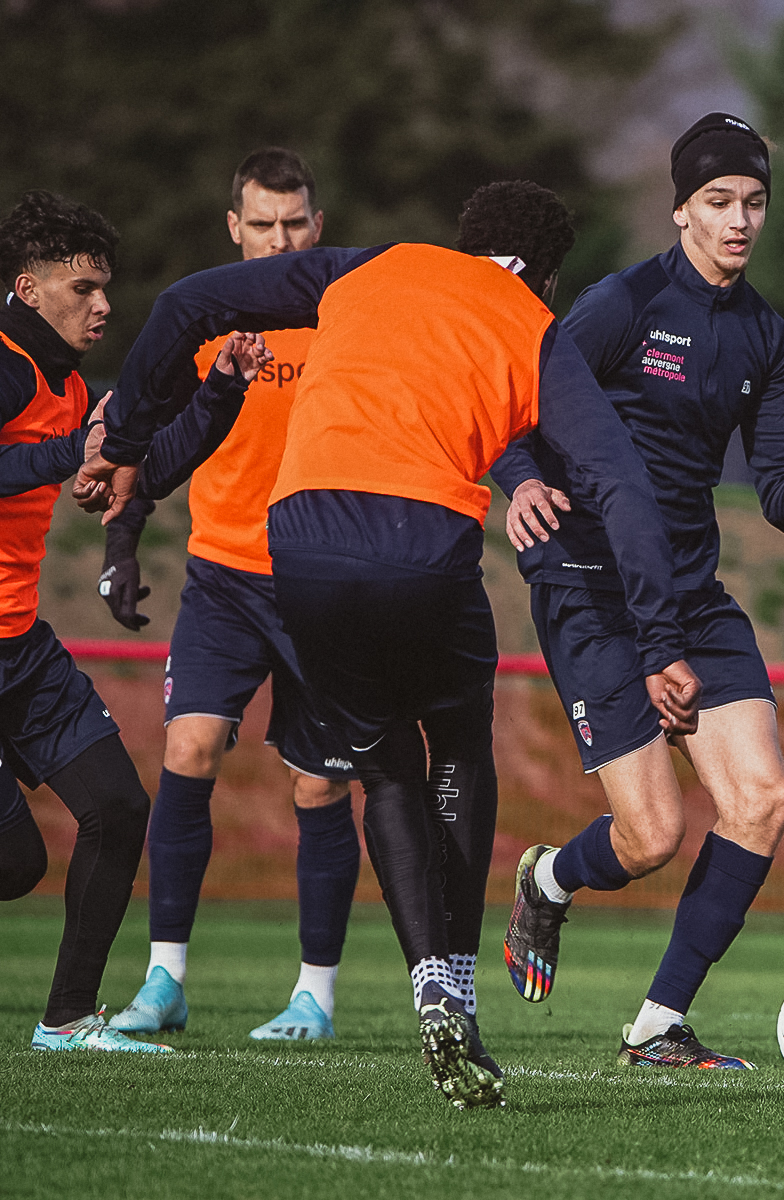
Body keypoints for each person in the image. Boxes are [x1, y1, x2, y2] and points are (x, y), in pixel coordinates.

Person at [79, 180, 698, 1108]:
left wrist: (124, 436)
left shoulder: (376, 266)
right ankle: (458, 980)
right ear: (549, 277)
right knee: (455, 743)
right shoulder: (532, 324)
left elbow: (185, 303)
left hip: (301, 544)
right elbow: (621, 487)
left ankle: (431, 996)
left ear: (463, 239)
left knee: (384, 772)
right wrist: (659, 641)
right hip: (420, 546)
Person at [493, 112, 784, 1070]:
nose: (738, 220)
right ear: (681, 210)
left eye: (753, 202)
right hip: (591, 581)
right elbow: (515, 401)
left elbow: (779, 499)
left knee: (764, 798)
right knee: (652, 835)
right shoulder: (622, 304)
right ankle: (550, 878)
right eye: (718, 202)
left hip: (691, 591)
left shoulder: (766, 337)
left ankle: (658, 1025)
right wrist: (523, 480)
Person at [106, 148, 363, 1044]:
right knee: (188, 749)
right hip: (221, 575)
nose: (280, 240)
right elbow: (154, 447)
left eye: (296, 226)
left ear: (317, 230)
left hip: (323, 585)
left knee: (318, 791)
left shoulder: (346, 318)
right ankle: (165, 980)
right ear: (234, 229)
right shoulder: (205, 320)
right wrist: (120, 543)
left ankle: (315, 998)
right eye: (263, 226)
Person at [0, 189, 260, 1053]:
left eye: (106, 287)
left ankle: (68, 1019)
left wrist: (221, 390)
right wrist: (63, 453)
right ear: (27, 289)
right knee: (15, 867)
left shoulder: (71, 387)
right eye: (82, 288)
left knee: (116, 805)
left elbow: (144, 464)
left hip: (20, 650)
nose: (103, 305)